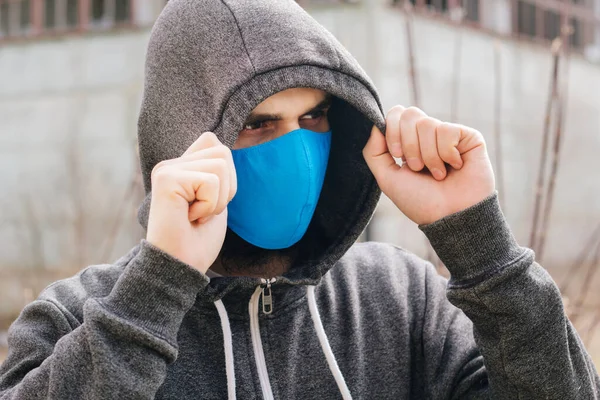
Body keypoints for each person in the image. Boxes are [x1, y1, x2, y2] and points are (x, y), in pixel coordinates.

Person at [1, 0, 598, 398]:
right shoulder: (79, 315)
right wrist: (157, 289)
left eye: (313, 116)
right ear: (182, 139)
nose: (293, 150)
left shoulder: (401, 300)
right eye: (257, 124)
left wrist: (483, 248)